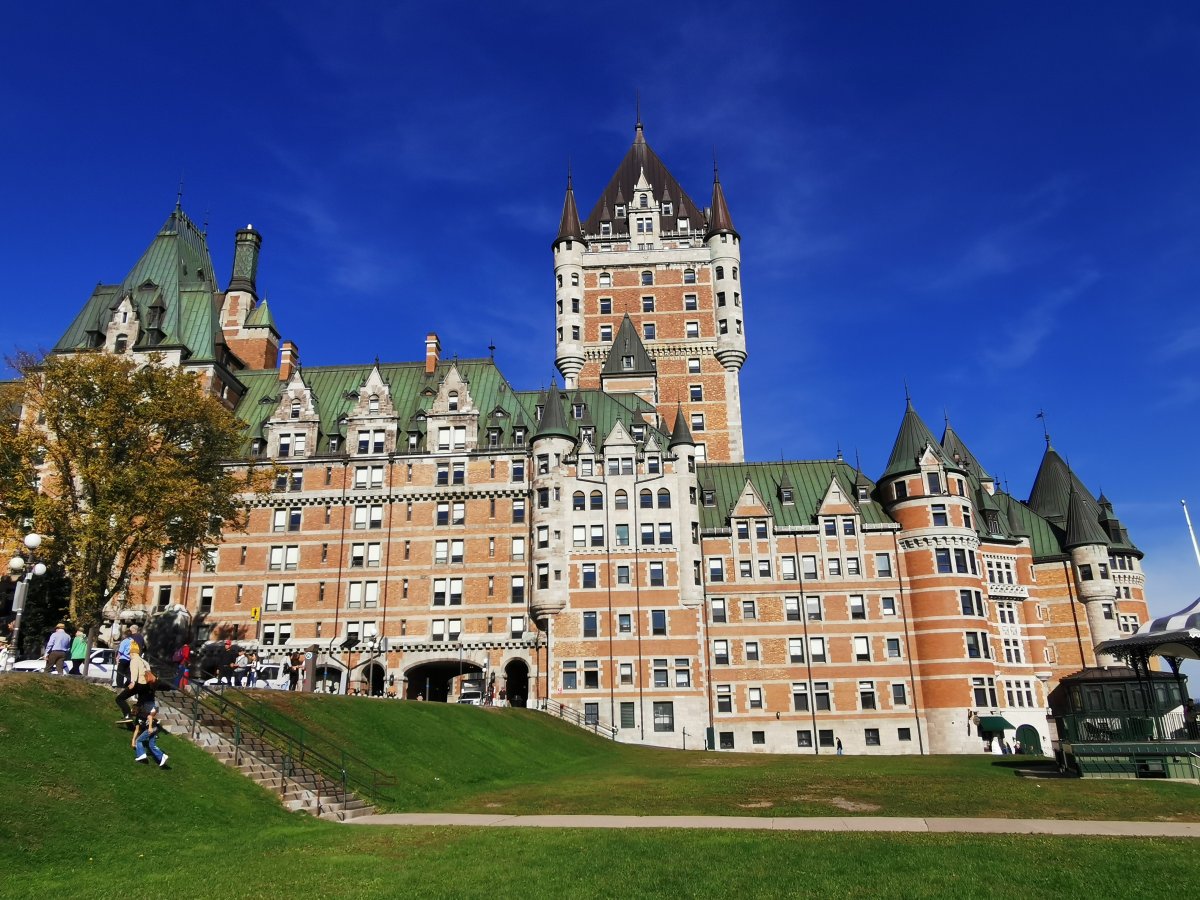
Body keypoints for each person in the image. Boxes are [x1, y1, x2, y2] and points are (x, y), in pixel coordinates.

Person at [116, 642, 153, 722]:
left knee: (119, 699)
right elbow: (149, 671)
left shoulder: (134, 660)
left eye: (129, 653)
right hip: (146, 685)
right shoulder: (144, 661)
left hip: (138, 684)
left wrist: (132, 682)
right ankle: (140, 719)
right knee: (139, 703)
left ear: (132, 653)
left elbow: (134, 672)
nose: (129, 655)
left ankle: (127, 715)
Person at [132, 700, 168, 768]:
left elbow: (150, 717)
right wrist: (133, 740)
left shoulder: (141, 714)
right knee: (151, 745)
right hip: (154, 729)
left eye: (132, 709)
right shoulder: (137, 719)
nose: (132, 710)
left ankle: (141, 755)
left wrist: (150, 727)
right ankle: (162, 756)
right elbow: (136, 730)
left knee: (139, 741)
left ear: (135, 709)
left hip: (152, 728)